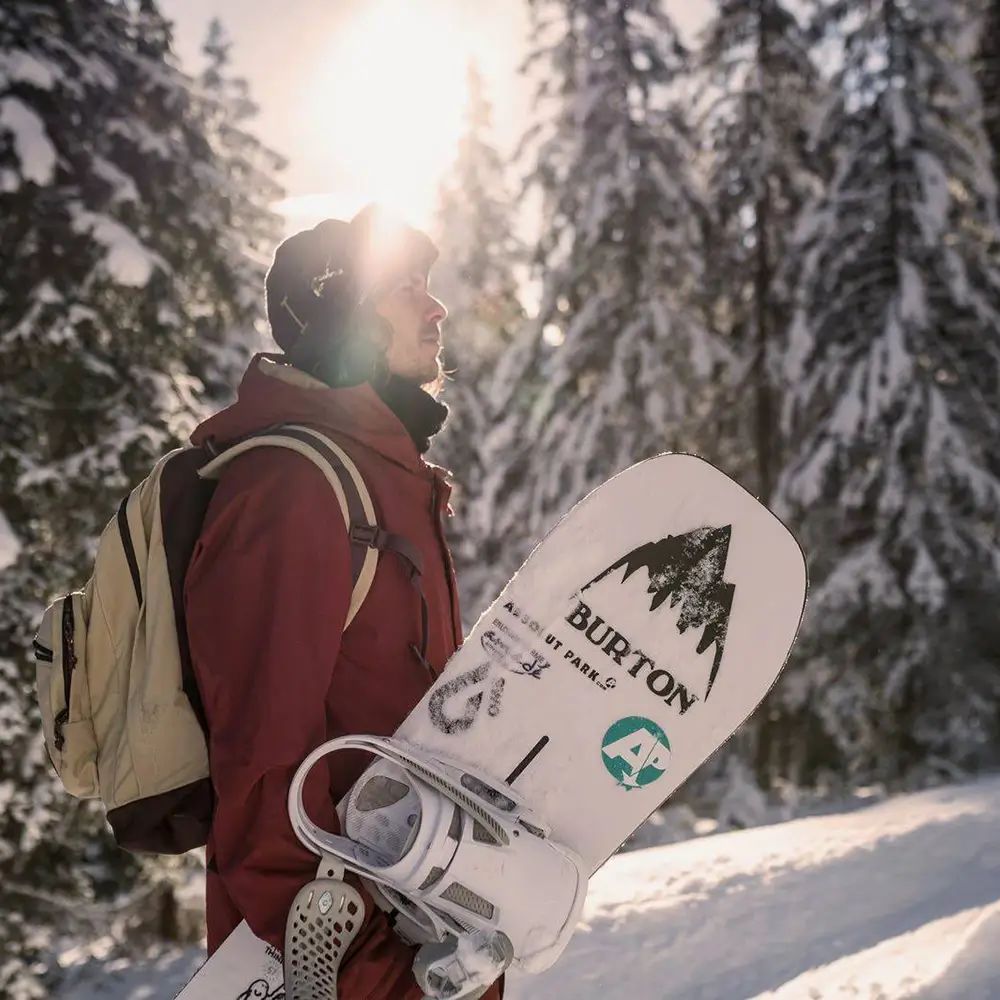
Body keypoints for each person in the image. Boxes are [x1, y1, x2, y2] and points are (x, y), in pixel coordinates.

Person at [183, 205, 502, 999]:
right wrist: (367, 976)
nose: (436, 308)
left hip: (420, 932)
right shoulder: (293, 490)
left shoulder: (386, 478)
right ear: (342, 315)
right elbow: (262, 772)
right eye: (404, 288)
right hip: (345, 963)